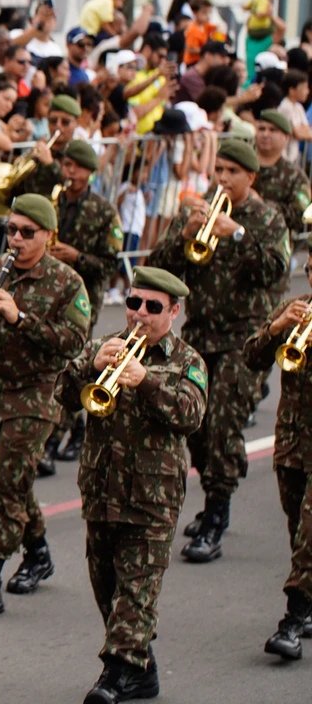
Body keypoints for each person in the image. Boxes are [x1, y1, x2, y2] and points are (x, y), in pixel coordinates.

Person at [55, 267, 207, 701]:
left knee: (136, 592)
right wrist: (89, 365)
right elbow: (63, 393)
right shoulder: (106, 344)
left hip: (152, 497)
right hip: (102, 489)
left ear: (174, 311)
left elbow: (191, 415)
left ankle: (115, 675)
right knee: (107, 587)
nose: (140, 313)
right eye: (134, 302)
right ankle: (141, 667)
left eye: (153, 307)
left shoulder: (187, 361)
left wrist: (146, 381)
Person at [148, 141, 290, 563]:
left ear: (251, 177)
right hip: (200, 336)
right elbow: (160, 270)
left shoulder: (266, 219)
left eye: (232, 171)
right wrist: (184, 236)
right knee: (197, 426)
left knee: (225, 423)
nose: (223, 179)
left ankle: (216, 511)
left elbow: (275, 270)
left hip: (244, 340)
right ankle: (213, 493)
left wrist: (238, 234)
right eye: (220, 170)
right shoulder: (202, 212)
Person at [0, 194, 89, 620]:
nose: (16, 239)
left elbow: (73, 342)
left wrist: (19, 319)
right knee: (10, 479)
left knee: (7, 485)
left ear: (48, 236)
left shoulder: (67, 282)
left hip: (38, 395)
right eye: (11, 230)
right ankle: (39, 551)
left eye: (26, 232)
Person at [36, 141, 123, 473]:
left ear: (89, 172)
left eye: (76, 167)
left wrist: (76, 257)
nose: (68, 172)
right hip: (48, 294)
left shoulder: (103, 211)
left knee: (71, 363)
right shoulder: (53, 201)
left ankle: (55, 439)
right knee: (52, 365)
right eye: (65, 165)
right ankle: (74, 427)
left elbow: (110, 263)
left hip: (83, 297)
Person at [244, 261, 312, 659]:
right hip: (291, 441)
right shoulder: (294, 308)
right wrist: (275, 328)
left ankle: (293, 619)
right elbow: (252, 358)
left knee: (309, 528)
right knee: (297, 528)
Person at [251, 109, 312, 237]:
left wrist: (261, 203)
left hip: (275, 241)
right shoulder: (242, 167)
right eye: (261, 129)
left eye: (273, 130)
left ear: (286, 138)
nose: (265, 134)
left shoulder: (296, 176)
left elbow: (300, 215)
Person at [277, 71, 312, 162]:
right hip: (284, 154)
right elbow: (297, 133)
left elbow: (307, 129)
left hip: (294, 155)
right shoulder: (285, 107)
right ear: (292, 90)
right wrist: (299, 131)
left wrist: (302, 131)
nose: (307, 92)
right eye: (304, 88)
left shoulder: (298, 107)